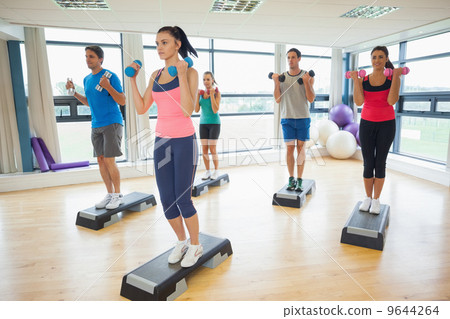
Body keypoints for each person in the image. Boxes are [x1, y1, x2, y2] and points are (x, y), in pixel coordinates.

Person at [128, 26, 202, 268]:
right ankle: (181, 241)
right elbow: (141, 108)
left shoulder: (190, 72)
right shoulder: (156, 75)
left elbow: (187, 110)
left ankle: (195, 245)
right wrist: (132, 79)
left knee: (183, 198)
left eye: (164, 42)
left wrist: (181, 74)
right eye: (157, 43)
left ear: (177, 44)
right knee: (167, 199)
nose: (159, 47)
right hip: (162, 142)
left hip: (184, 142)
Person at [66, 46, 126, 210]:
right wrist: (74, 93)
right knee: (100, 161)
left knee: (109, 160)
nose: (88, 59)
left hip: (112, 123)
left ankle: (117, 195)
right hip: (96, 125)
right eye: (86, 56)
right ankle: (109, 194)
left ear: (100, 59)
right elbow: (89, 102)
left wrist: (108, 86)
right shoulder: (87, 79)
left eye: (91, 56)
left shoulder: (110, 76)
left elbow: (122, 100)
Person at [349, 46, 403, 214]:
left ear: (386, 59)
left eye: (380, 57)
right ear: (371, 60)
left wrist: (395, 77)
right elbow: (358, 102)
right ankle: (367, 197)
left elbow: (392, 100)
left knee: (380, 162)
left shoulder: (392, 79)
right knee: (368, 162)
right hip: (367, 124)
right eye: (374, 57)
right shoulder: (363, 80)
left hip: (386, 125)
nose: (377, 60)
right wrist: (354, 80)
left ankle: (376, 200)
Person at [272, 48, 315, 192]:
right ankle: (291, 179)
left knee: (301, 149)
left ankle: (300, 180)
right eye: (288, 57)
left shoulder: (306, 76)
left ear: (299, 59)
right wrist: (276, 83)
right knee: (290, 149)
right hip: (287, 118)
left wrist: (307, 83)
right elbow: (278, 100)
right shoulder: (282, 77)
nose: (290, 60)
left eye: (293, 57)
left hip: (303, 118)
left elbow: (311, 98)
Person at [195, 71, 221, 180]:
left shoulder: (217, 93)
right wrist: (197, 96)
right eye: (204, 79)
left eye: (208, 79)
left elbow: (215, 110)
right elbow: (196, 110)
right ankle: (207, 171)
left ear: (212, 80)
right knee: (204, 149)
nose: (206, 82)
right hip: (203, 124)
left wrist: (211, 95)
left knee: (212, 149)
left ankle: (216, 171)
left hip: (214, 123)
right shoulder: (200, 94)